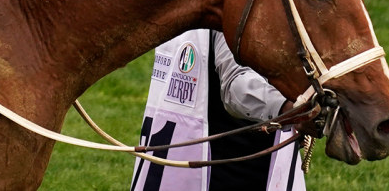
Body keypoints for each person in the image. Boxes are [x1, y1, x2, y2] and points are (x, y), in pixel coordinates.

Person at [129, 30, 305, 191]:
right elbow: (237, 85)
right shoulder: (233, 3)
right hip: (229, 165)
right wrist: (291, 109)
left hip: (192, 156)